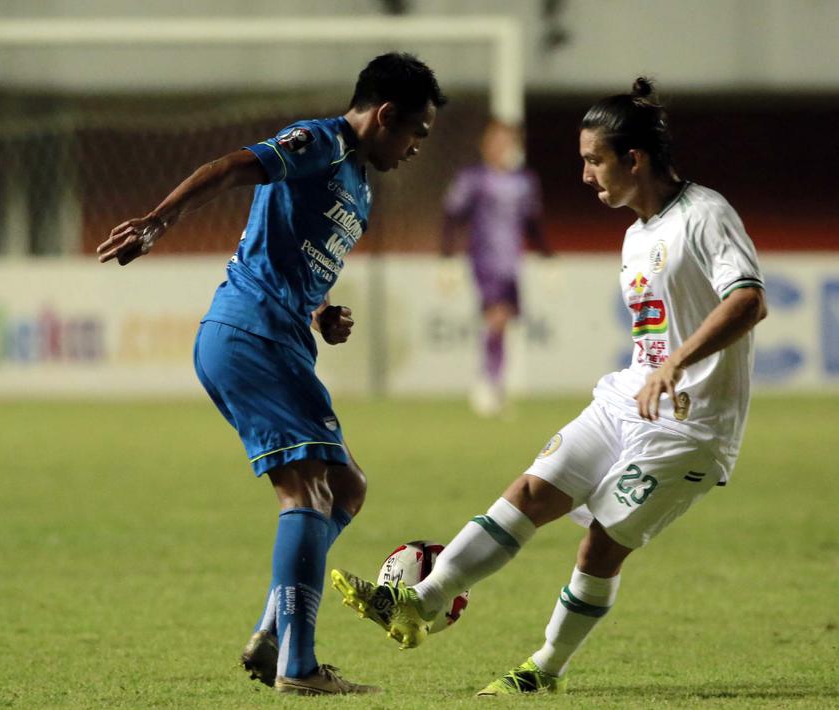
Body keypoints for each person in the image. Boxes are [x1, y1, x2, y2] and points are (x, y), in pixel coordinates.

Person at [331, 78, 767, 695]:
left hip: (691, 427)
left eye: (594, 160)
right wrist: (657, 366)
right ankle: (419, 604)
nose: (587, 175)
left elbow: (748, 300)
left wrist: (679, 361)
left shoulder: (706, 214)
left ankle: (544, 669)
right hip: (628, 399)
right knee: (533, 490)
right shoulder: (637, 233)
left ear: (633, 159)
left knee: (599, 547)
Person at [95, 53, 446, 695]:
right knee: (306, 491)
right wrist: (158, 220)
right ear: (387, 114)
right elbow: (231, 166)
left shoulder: (359, 187)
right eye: (417, 131)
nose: (418, 146)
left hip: (279, 336)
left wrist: (320, 312)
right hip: (250, 332)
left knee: (346, 488)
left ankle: (272, 635)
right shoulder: (319, 141)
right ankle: (299, 667)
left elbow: (292, 255)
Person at [440, 119, 551, 417]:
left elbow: (532, 222)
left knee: (503, 323)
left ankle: (493, 385)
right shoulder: (473, 178)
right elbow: (452, 215)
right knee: (497, 318)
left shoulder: (525, 181)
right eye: (497, 140)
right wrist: (447, 257)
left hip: (511, 264)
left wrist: (548, 256)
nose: (503, 147)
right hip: (484, 260)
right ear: (486, 145)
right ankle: (487, 385)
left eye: (508, 141)